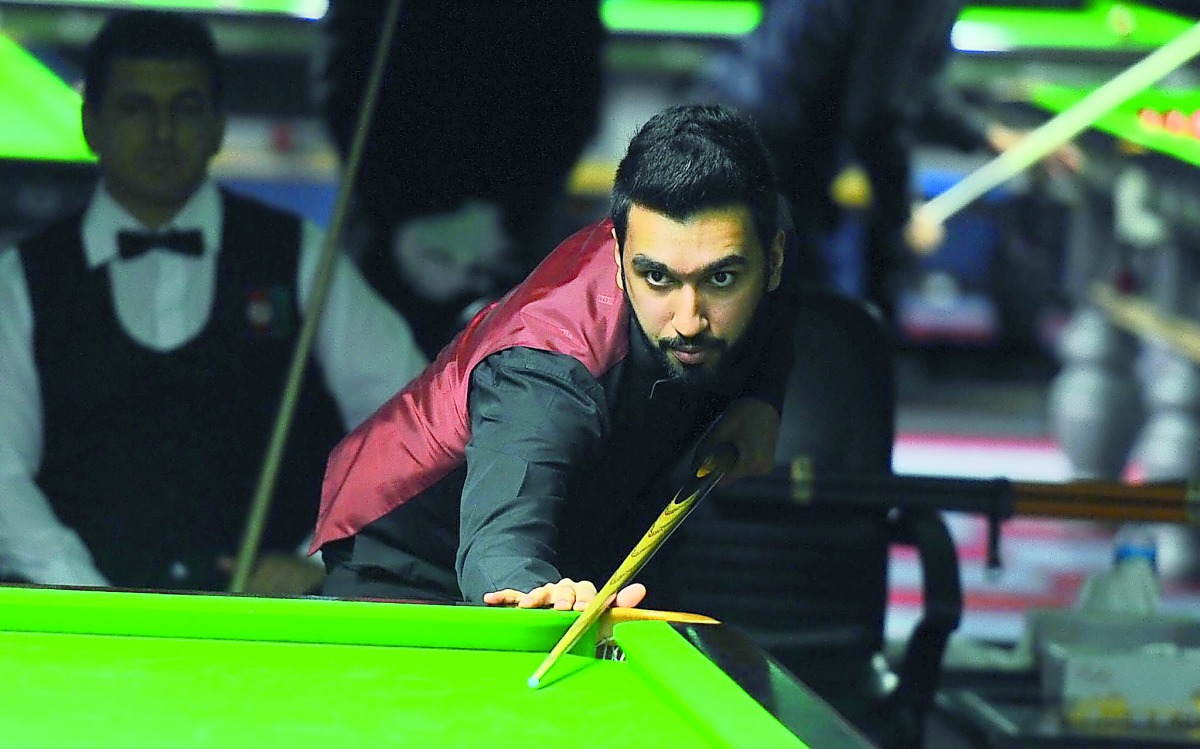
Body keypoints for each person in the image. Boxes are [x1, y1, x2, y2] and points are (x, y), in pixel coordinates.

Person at [0, 11, 426, 594]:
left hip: (256, 632)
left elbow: (410, 420)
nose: (162, 132)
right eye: (134, 108)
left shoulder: (298, 256)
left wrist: (321, 556)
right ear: (91, 123)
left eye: (187, 107)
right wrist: (81, 588)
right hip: (82, 628)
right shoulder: (24, 279)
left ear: (219, 124)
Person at [314, 103, 798, 610]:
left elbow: (779, 307)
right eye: (658, 278)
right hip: (408, 557)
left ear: (774, 260)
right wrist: (527, 589)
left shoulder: (755, 241)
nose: (689, 320)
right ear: (617, 257)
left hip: (585, 524)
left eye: (720, 279)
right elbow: (501, 540)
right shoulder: (545, 371)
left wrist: (762, 399)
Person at [695, 0, 1081, 321]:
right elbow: (880, 115)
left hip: (732, 132)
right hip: (775, 160)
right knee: (821, 332)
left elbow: (898, 89)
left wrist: (992, 137)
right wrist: (901, 217)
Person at [316, 0, 605, 359]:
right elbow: (347, 81)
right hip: (399, 239)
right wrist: (416, 215)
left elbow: (574, 90)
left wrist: (487, 214)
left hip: (501, 236)